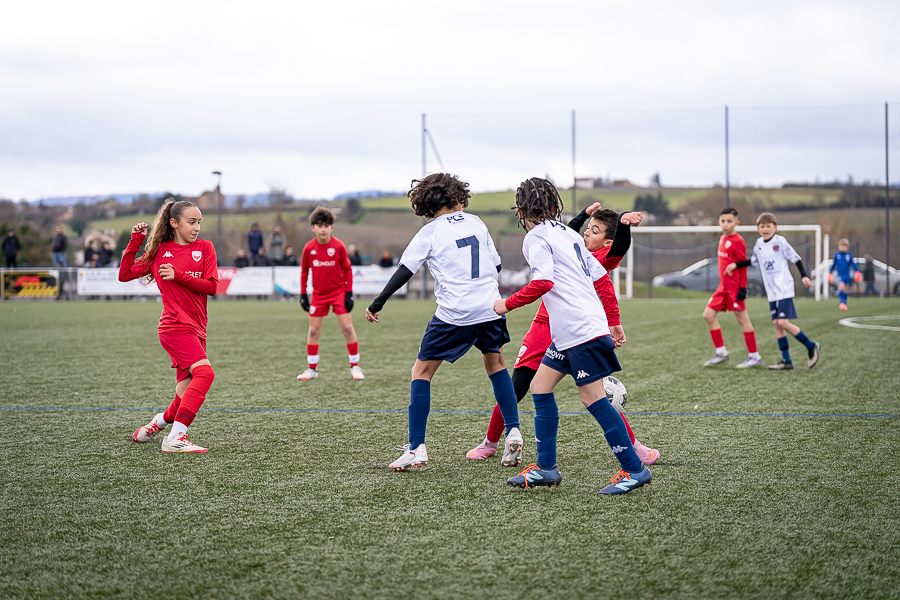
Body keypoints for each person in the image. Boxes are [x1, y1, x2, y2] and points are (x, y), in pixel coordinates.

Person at [467, 204, 660, 466]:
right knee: (517, 387)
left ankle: (633, 447)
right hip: (544, 327)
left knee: (596, 393)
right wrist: (583, 215)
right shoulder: (566, 242)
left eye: (595, 231)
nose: (586, 233)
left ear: (606, 242)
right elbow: (563, 232)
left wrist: (624, 224)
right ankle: (490, 442)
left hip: (576, 329)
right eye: (588, 229)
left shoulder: (599, 257)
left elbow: (618, 251)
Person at [494, 177, 650, 494]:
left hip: (579, 331)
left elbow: (543, 283)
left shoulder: (535, 238)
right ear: (554, 206)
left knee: (593, 399)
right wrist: (614, 321)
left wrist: (505, 304)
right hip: (573, 330)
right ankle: (546, 468)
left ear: (520, 212)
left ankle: (634, 469)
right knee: (540, 386)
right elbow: (601, 279)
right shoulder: (568, 234)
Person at [364, 173, 522, 473]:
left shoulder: (431, 231)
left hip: (456, 313)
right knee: (497, 365)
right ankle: (513, 431)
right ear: (457, 196)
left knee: (421, 372)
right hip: (491, 307)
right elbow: (497, 264)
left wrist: (377, 303)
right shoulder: (476, 222)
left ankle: (416, 448)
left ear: (426, 205)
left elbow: (405, 269)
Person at [120, 199, 219, 452]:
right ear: (174, 223)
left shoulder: (205, 248)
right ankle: (176, 438)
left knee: (184, 394)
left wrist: (179, 275)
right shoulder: (159, 252)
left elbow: (212, 287)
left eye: (199, 222)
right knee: (205, 374)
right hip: (174, 327)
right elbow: (125, 274)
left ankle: (156, 425)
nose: (197, 227)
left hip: (198, 328)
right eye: (191, 222)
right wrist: (135, 240)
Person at [725, 212, 820, 370]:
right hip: (772, 292)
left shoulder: (780, 241)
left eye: (768, 226)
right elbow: (753, 261)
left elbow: (795, 258)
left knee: (782, 322)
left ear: (775, 228)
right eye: (762, 226)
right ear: (758, 229)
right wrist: (736, 264)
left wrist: (804, 275)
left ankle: (811, 346)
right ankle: (786, 361)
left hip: (784, 288)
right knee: (777, 324)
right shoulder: (758, 244)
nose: (765, 229)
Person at [298, 207, 364, 381]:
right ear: (313, 227)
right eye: (319, 225)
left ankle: (355, 366)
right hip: (318, 295)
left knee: (347, 328)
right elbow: (304, 271)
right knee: (313, 331)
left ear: (331, 227)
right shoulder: (309, 248)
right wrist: (303, 294)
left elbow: (347, 269)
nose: (323, 229)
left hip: (338, 293)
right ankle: (312, 369)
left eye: (326, 225)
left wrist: (349, 293)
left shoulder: (339, 246)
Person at [701, 207, 761, 368]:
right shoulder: (722, 238)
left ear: (736, 223)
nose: (725, 224)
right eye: (723, 221)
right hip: (723, 287)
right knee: (708, 315)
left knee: (742, 319)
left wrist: (743, 288)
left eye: (729, 221)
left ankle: (754, 356)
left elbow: (743, 265)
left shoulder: (738, 241)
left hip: (735, 288)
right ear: (719, 222)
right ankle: (721, 353)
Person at [829, 238, 859, 311]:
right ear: (839, 246)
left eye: (844, 246)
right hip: (840, 275)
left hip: (847, 275)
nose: (843, 248)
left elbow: (853, 264)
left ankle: (844, 303)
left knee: (846, 289)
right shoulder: (837, 255)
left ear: (847, 247)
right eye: (841, 246)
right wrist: (830, 273)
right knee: (841, 287)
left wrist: (857, 271)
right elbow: (833, 265)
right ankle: (841, 303)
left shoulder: (849, 255)